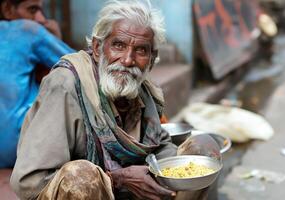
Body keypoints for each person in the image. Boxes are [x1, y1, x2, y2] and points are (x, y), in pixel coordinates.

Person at [10, 0, 219, 199]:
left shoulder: (143, 90)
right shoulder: (65, 84)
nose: (128, 60)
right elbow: (30, 182)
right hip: (83, 193)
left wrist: (169, 170)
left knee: (203, 148)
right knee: (80, 177)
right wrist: (117, 179)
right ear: (99, 49)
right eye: (118, 45)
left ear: (152, 60)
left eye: (140, 50)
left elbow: (160, 145)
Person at [0, 0, 74, 168]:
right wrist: (56, 38)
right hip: (18, 149)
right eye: (33, 9)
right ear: (8, 9)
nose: (40, 19)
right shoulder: (28, 30)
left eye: (41, 10)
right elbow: (82, 68)